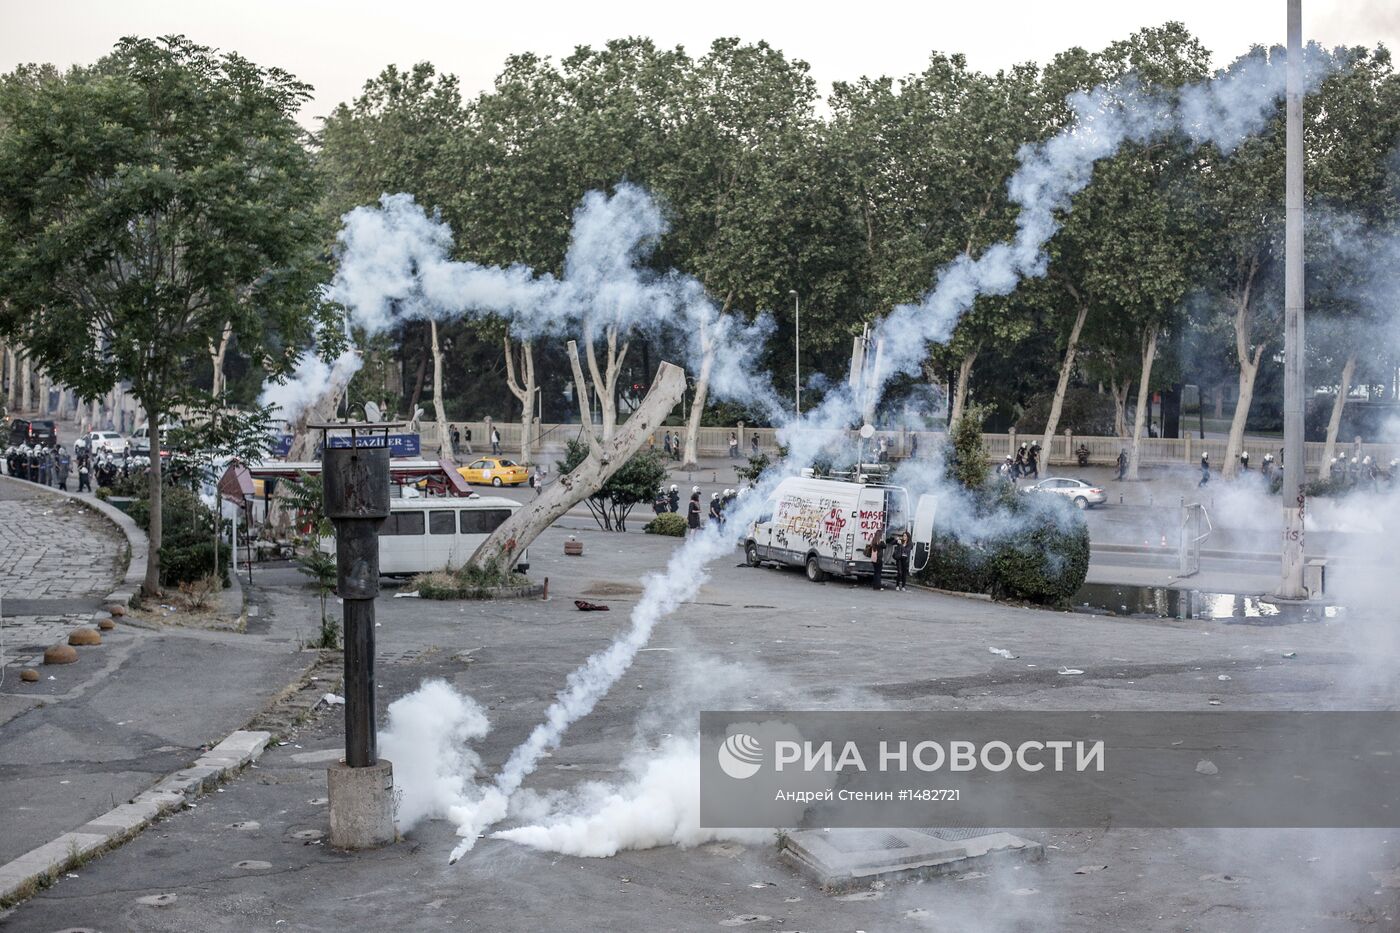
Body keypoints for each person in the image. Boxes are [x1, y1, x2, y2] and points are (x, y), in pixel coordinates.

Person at [867, 525, 886, 591]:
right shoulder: (880, 542)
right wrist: (882, 540)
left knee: (875, 572)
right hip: (879, 559)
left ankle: (875, 586)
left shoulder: (874, 541)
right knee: (878, 573)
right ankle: (878, 586)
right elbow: (885, 546)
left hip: (874, 559)